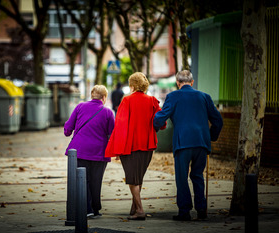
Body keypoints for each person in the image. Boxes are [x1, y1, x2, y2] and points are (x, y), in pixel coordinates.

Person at [153, 70, 223, 221]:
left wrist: (154, 126)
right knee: (197, 176)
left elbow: (161, 117)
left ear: (178, 83)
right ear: (192, 82)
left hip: (183, 143)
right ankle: (201, 209)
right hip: (201, 143)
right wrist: (211, 137)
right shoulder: (205, 97)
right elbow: (218, 120)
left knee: (182, 178)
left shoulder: (173, 96)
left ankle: (184, 212)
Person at [105, 72, 166, 220]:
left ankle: (139, 210)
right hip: (147, 144)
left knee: (132, 179)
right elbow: (162, 123)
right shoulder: (152, 100)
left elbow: (120, 125)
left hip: (130, 145)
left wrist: (117, 149)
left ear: (132, 86)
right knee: (137, 177)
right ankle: (134, 208)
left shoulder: (127, 100)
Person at [64, 85, 115, 218]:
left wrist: (68, 130)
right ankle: (95, 209)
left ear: (92, 95)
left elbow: (68, 129)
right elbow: (112, 133)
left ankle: (86, 209)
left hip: (80, 150)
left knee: (82, 180)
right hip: (99, 152)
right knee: (96, 180)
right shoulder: (108, 112)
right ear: (104, 98)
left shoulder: (80, 107)